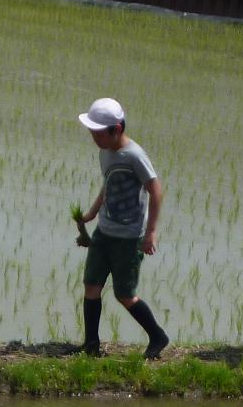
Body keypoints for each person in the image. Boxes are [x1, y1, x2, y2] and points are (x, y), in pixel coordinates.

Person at [73, 98, 170, 360]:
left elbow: (155, 188)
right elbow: (109, 184)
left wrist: (151, 232)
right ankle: (91, 344)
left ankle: (158, 336)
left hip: (128, 237)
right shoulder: (105, 152)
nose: (94, 138)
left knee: (124, 294)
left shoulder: (134, 155)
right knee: (91, 284)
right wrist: (92, 214)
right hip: (104, 232)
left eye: (98, 133)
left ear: (116, 129)